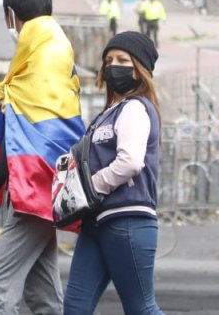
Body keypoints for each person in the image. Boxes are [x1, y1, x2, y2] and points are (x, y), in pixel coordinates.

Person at [0, 0, 84, 315]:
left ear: (11, 14)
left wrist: (3, 175)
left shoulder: (42, 57)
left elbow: (39, 135)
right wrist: (0, 176)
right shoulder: (47, 51)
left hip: (35, 188)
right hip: (37, 186)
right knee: (43, 295)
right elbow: (30, 130)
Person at [63, 31, 163, 315]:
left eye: (122, 60)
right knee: (75, 308)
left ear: (140, 69)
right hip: (96, 223)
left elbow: (131, 162)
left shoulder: (135, 108)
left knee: (141, 308)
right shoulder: (108, 112)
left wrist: (90, 186)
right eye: (108, 60)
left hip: (127, 220)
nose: (112, 66)